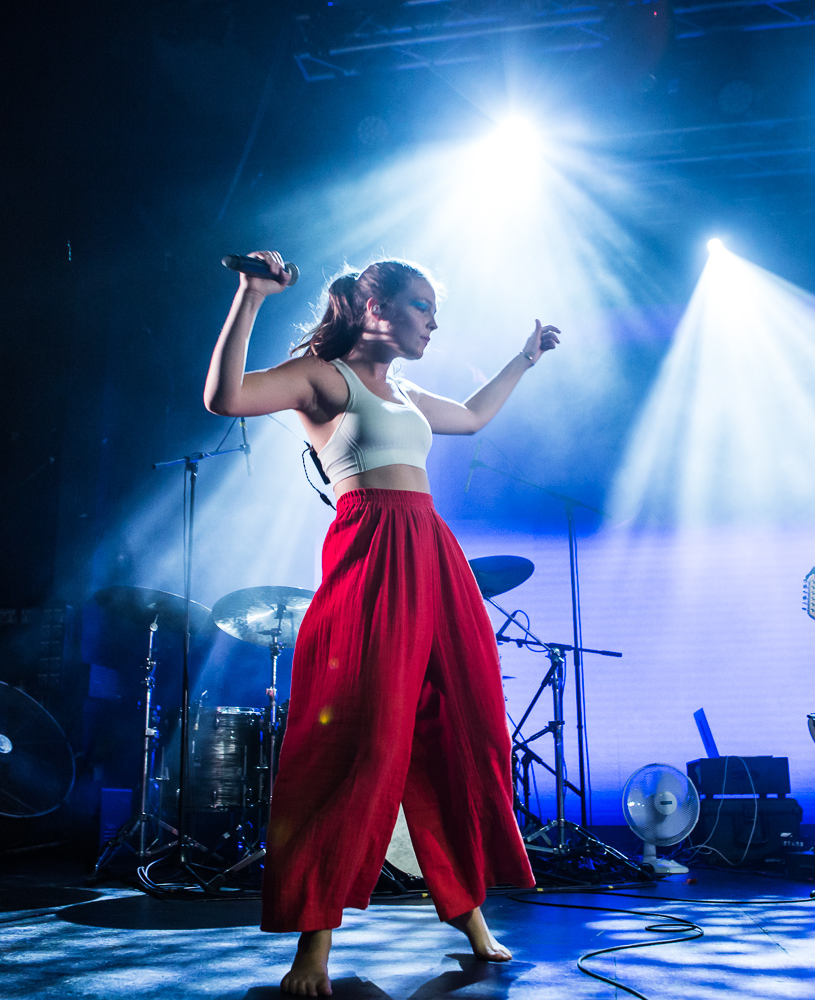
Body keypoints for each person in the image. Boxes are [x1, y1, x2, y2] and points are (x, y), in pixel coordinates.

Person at [204, 251, 555, 996]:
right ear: (375, 306)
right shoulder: (322, 379)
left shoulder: (406, 393)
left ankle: (466, 910)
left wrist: (523, 358)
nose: (434, 321)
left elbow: (473, 416)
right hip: (371, 558)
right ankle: (314, 945)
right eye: (422, 306)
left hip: (434, 557)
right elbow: (225, 397)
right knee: (360, 742)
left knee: (465, 730)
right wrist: (252, 295)